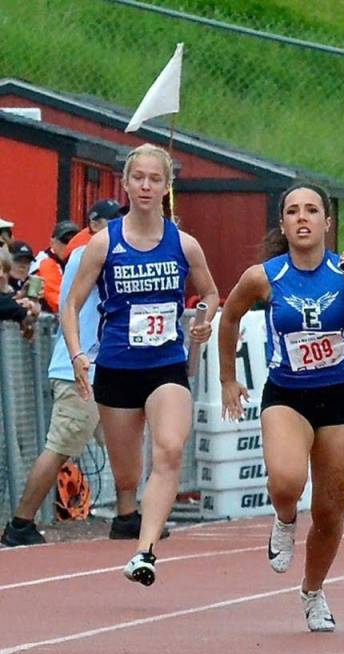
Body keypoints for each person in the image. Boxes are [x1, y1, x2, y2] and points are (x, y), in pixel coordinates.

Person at [219, 183, 344, 631]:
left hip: (339, 395)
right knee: (287, 481)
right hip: (287, 395)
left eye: (311, 210)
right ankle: (284, 518)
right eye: (293, 211)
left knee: (330, 510)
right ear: (283, 224)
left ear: (327, 222)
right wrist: (228, 378)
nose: (302, 218)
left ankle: (313, 591)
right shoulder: (264, 276)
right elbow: (229, 316)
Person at [62, 143, 219, 587]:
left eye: (155, 179)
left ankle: (145, 550)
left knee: (169, 450)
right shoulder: (103, 243)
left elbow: (210, 293)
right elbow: (71, 305)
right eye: (139, 178)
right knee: (127, 475)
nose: (146, 186)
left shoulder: (183, 244)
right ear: (126, 185)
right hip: (117, 367)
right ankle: (129, 513)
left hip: (166, 365)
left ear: (167, 186)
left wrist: (203, 321)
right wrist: (77, 354)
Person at [1, 235, 160, 546]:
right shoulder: (92, 255)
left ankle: (127, 515)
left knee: (124, 443)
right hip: (82, 368)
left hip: (105, 367)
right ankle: (21, 522)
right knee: (60, 445)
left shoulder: (98, 254)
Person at [30, 220, 79, 313]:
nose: (70, 245)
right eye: (65, 240)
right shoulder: (45, 263)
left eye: (74, 240)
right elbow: (58, 303)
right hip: (49, 317)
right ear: (53, 242)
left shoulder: (72, 261)